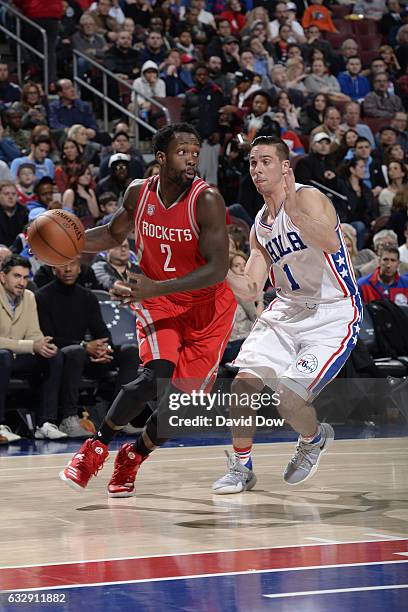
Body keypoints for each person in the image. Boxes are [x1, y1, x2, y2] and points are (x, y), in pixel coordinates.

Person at [59, 122, 236, 496]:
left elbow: (218, 267)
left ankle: (133, 457)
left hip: (207, 309)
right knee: (153, 375)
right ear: (160, 157)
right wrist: (68, 243)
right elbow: (111, 233)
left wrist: (159, 285)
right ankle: (94, 449)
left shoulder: (207, 200)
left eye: (195, 151)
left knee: (180, 408)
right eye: (181, 151)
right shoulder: (139, 193)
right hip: (159, 300)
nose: (190, 158)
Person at [212, 136, 362, 494]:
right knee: (242, 385)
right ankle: (241, 466)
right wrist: (216, 264)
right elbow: (250, 288)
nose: (257, 168)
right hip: (287, 309)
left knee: (288, 398)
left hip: (333, 312)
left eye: (265, 161)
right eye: (252, 162)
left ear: (284, 167)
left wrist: (294, 215)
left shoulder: (308, 197)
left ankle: (312, 439)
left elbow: (329, 242)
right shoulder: (260, 226)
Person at [35, 256, 140, 438]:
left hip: (89, 356)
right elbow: (47, 337)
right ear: (53, 269)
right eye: (63, 265)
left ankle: (119, 419)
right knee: (75, 352)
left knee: (130, 351)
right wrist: (84, 346)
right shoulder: (41, 297)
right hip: (62, 356)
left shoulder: (87, 296)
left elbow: (102, 332)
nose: (68, 270)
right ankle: (68, 419)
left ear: (79, 268)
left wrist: (103, 349)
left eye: (73, 265)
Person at [0, 255, 65, 443]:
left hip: (17, 355)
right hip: (3, 356)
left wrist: (42, 344)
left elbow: (33, 333)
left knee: (54, 355)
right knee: (3, 356)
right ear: (3, 277)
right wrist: (31, 345)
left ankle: (45, 423)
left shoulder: (29, 297)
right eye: (17, 276)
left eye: (25, 277)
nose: (22, 282)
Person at [0, 181, 28, 247]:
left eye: (13, 194)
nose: (10, 197)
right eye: (6, 194)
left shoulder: (24, 212)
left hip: (19, 252)